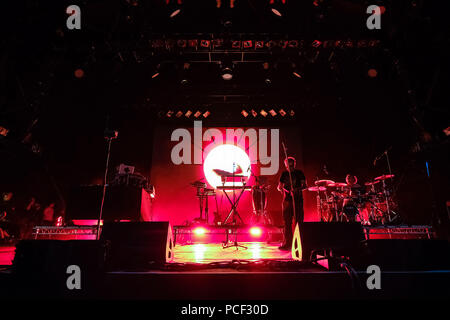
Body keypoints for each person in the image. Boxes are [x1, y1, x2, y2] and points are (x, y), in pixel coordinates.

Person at [277, 157, 307, 250]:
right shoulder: (284, 174)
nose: (290, 166)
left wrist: (297, 189)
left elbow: (305, 185)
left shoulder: (299, 173)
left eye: (291, 164)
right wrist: (285, 190)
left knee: (299, 222)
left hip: (298, 200)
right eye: (288, 164)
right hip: (287, 201)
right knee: (287, 222)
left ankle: (299, 243)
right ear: (286, 165)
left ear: (294, 164)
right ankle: (288, 243)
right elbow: (279, 187)